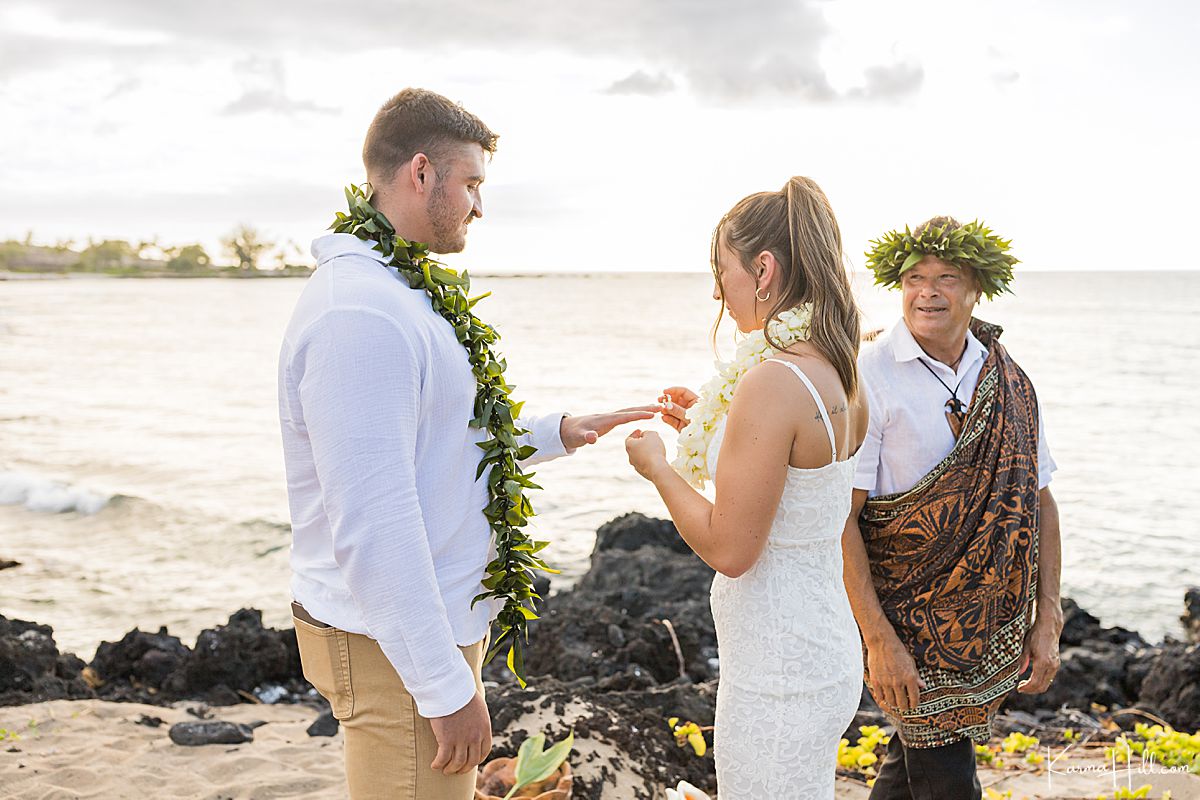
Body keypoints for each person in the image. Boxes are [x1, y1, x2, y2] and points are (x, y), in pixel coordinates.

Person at [277, 88, 657, 800]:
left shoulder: (397, 291)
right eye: (473, 184)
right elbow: (373, 522)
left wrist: (561, 431)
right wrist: (444, 687)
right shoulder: (359, 314)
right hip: (389, 644)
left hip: (418, 626)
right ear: (421, 174)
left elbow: (441, 442)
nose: (481, 206)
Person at [626, 177, 868, 799]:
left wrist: (662, 469)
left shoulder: (771, 382)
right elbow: (795, 483)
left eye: (721, 270)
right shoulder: (843, 371)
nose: (715, 290)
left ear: (763, 269)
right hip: (823, 650)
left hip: (777, 671)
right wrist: (711, 423)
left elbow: (731, 549)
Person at [844, 216, 1064, 800]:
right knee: (946, 778)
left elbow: (1038, 501)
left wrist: (1048, 614)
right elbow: (840, 517)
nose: (928, 292)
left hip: (984, 623)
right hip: (906, 615)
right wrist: (877, 638)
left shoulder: (1007, 377)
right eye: (915, 277)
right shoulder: (869, 374)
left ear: (978, 289)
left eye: (947, 277)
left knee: (913, 772)